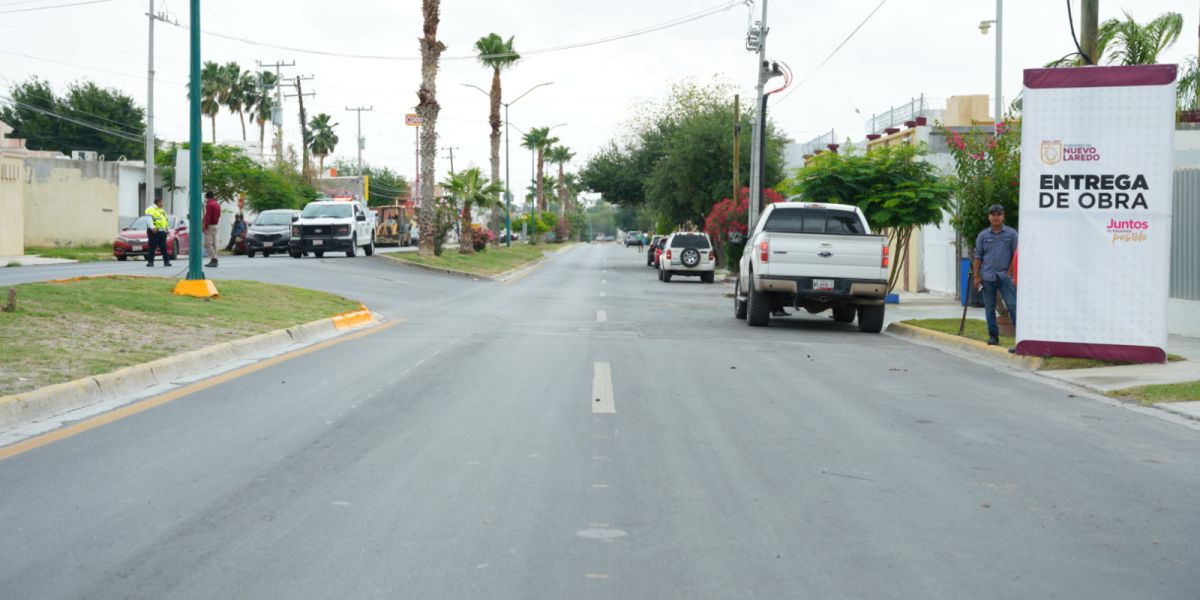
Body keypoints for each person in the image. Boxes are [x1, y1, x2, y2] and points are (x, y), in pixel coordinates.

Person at [973, 203, 1018, 346]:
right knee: (989, 307)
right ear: (989, 217)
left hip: (1005, 277)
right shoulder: (983, 235)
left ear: (1003, 216)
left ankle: (1019, 337)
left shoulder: (1012, 234)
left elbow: (1016, 255)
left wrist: (1009, 272)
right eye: (993, 215)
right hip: (988, 277)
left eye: (999, 215)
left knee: (1012, 305)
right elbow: (978, 257)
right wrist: (976, 276)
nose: (996, 217)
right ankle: (993, 336)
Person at [144, 196, 171, 267]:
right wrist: (152, 228)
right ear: (158, 202)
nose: (162, 204)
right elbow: (148, 219)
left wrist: (167, 229)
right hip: (154, 231)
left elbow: (165, 220)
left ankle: (166, 262)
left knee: (164, 247)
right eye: (161, 202)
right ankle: (150, 262)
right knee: (152, 247)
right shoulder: (150, 209)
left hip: (162, 231)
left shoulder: (162, 210)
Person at [203, 191, 221, 268]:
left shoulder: (209, 205)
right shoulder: (217, 204)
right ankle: (215, 258)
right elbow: (219, 215)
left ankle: (214, 259)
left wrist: (204, 227)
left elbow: (208, 216)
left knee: (207, 243)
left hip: (210, 226)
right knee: (213, 243)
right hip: (215, 225)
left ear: (207, 197)